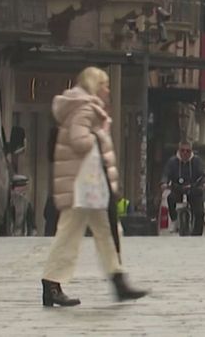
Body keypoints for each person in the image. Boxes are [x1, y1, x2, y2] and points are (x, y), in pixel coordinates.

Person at [39, 67, 147, 308]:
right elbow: (79, 140)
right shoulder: (86, 107)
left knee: (108, 231)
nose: (108, 90)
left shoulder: (83, 106)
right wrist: (98, 136)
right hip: (83, 186)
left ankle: (118, 280)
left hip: (90, 187)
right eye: (105, 85)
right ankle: (51, 283)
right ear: (94, 85)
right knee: (70, 234)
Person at [163, 141, 205, 236]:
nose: (185, 153)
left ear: (191, 151)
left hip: (193, 189)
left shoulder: (197, 161)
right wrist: (164, 183)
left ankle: (197, 232)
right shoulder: (172, 162)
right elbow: (166, 174)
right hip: (178, 189)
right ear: (179, 151)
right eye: (182, 150)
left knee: (199, 211)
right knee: (170, 198)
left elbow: (203, 173)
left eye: (188, 151)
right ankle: (174, 220)